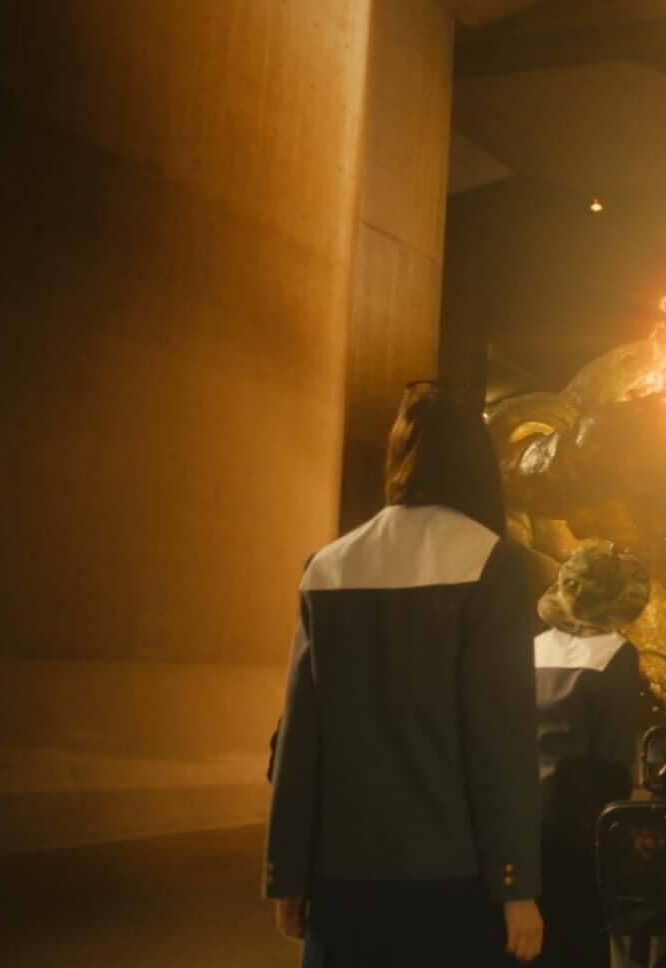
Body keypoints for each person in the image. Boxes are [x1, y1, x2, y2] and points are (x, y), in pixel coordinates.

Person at [265, 381, 545, 965]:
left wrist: (286, 872)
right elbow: (500, 739)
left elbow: (299, 738)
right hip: (451, 877)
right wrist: (516, 883)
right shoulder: (492, 562)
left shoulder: (328, 566)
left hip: (341, 877)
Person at [533, 543, 647, 968]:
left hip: (522, 821)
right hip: (582, 828)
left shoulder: (532, 648)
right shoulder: (617, 655)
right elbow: (614, 757)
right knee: (578, 942)